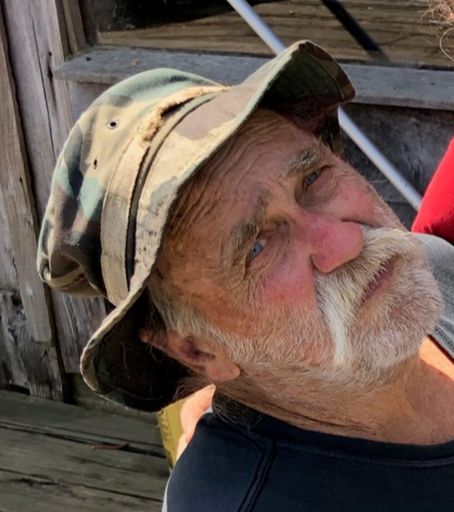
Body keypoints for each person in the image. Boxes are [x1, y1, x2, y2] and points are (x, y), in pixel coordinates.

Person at [37, 41, 454, 511]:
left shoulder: (430, 268)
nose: (347, 241)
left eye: (313, 179)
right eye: (257, 247)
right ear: (198, 350)